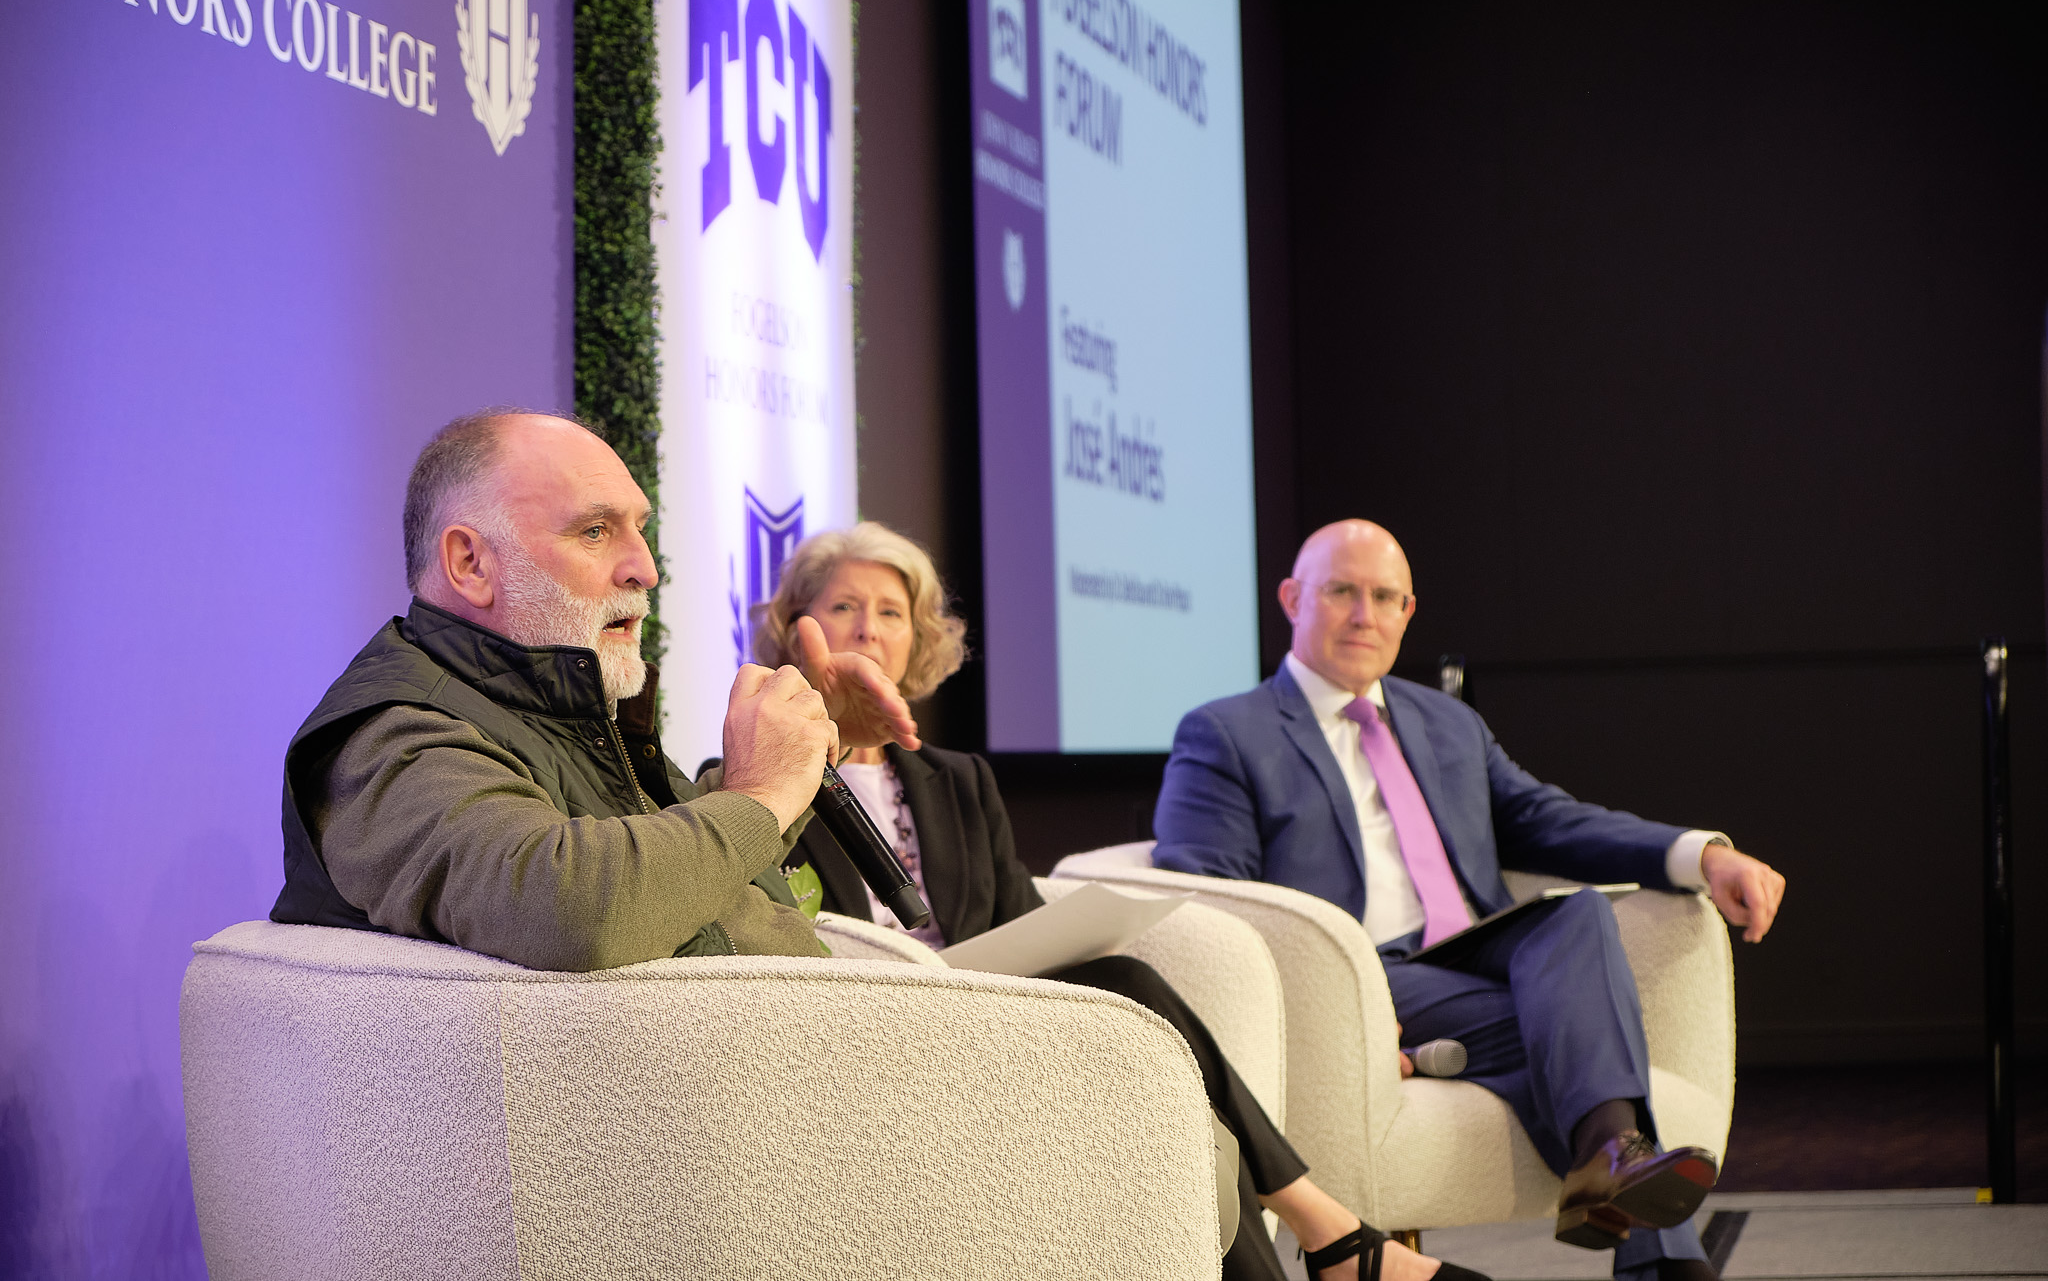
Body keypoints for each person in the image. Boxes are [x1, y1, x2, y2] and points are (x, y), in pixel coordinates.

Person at [756, 522, 1489, 1281]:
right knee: (1135, 994)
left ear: (918, 640)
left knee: (1189, 1120)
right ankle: (1328, 1231)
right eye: (844, 607)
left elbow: (1019, 923)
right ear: (796, 626)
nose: (868, 629)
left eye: (891, 612)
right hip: (865, 1040)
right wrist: (811, 747)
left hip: (989, 1019)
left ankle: (1328, 1240)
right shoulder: (753, 774)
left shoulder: (960, 778)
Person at [1152, 519, 1790, 1281]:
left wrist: (1700, 854)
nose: (1365, 614)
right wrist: (1333, 1000)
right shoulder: (1226, 732)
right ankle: (1658, 1247)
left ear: (1408, 612)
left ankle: (1611, 1170)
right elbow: (1214, 896)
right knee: (1587, 1037)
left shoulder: (1448, 722)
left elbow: (1549, 819)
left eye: (1384, 597)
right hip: (1363, 977)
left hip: (1476, 954)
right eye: (1342, 592)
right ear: (1293, 598)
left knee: (1580, 910)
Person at [271, 408, 918, 968]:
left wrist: (801, 747)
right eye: (595, 531)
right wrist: (760, 795)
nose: (646, 568)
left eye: (640, 528)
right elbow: (569, 907)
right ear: (471, 563)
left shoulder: (558, 708)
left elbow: (677, 874)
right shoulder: (391, 739)